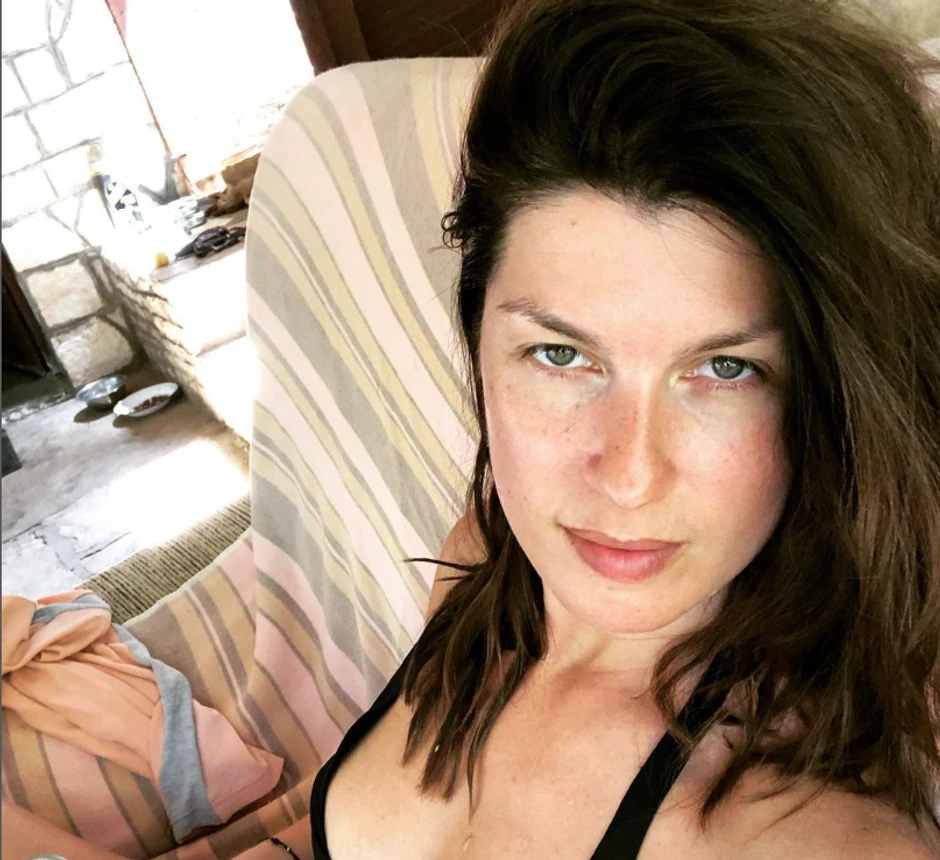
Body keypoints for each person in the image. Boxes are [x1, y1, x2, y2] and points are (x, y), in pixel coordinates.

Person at [309, 0, 940, 857]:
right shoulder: (478, 566)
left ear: (825, 398)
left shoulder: (810, 835)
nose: (629, 479)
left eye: (726, 369)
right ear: (479, 334)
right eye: (561, 354)